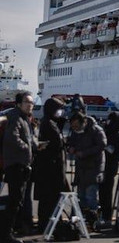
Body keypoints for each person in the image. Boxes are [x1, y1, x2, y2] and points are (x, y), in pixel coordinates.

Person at [1, 92, 36, 243]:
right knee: (15, 201)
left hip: (20, 163)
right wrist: (27, 147)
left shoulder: (25, 118)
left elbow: (27, 138)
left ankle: (6, 233)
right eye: (27, 102)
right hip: (16, 164)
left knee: (16, 200)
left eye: (32, 103)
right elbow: (12, 138)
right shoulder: (16, 117)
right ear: (19, 104)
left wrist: (36, 145)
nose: (30, 105)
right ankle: (6, 234)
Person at [34, 97, 69, 232]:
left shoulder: (49, 122)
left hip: (51, 166)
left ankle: (48, 223)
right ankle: (48, 224)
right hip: (51, 168)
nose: (60, 112)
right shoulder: (48, 124)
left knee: (49, 198)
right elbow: (56, 143)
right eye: (59, 109)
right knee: (50, 198)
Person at [66, 111, 106, 222]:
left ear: (83, 122)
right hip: (81, 167)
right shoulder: (75, 132)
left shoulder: (96, 130)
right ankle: (81, 220)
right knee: (81, 196)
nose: (75, 128)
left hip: (94, 167)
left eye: (76, 126)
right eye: (73, 126)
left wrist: (84, 153)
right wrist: (70, 147)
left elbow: (102, 145)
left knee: (91, 196)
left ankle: (93, 221)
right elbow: (71, 142)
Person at [99, 110, 119, 227]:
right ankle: (103, 214)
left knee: (105, 192)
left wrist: (101, 147)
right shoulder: (110, 131)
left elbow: (112, 151)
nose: (108, 121)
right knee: (103, 192)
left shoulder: (117, 135)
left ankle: (106, 216)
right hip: (105, 165)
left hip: (109, 167)